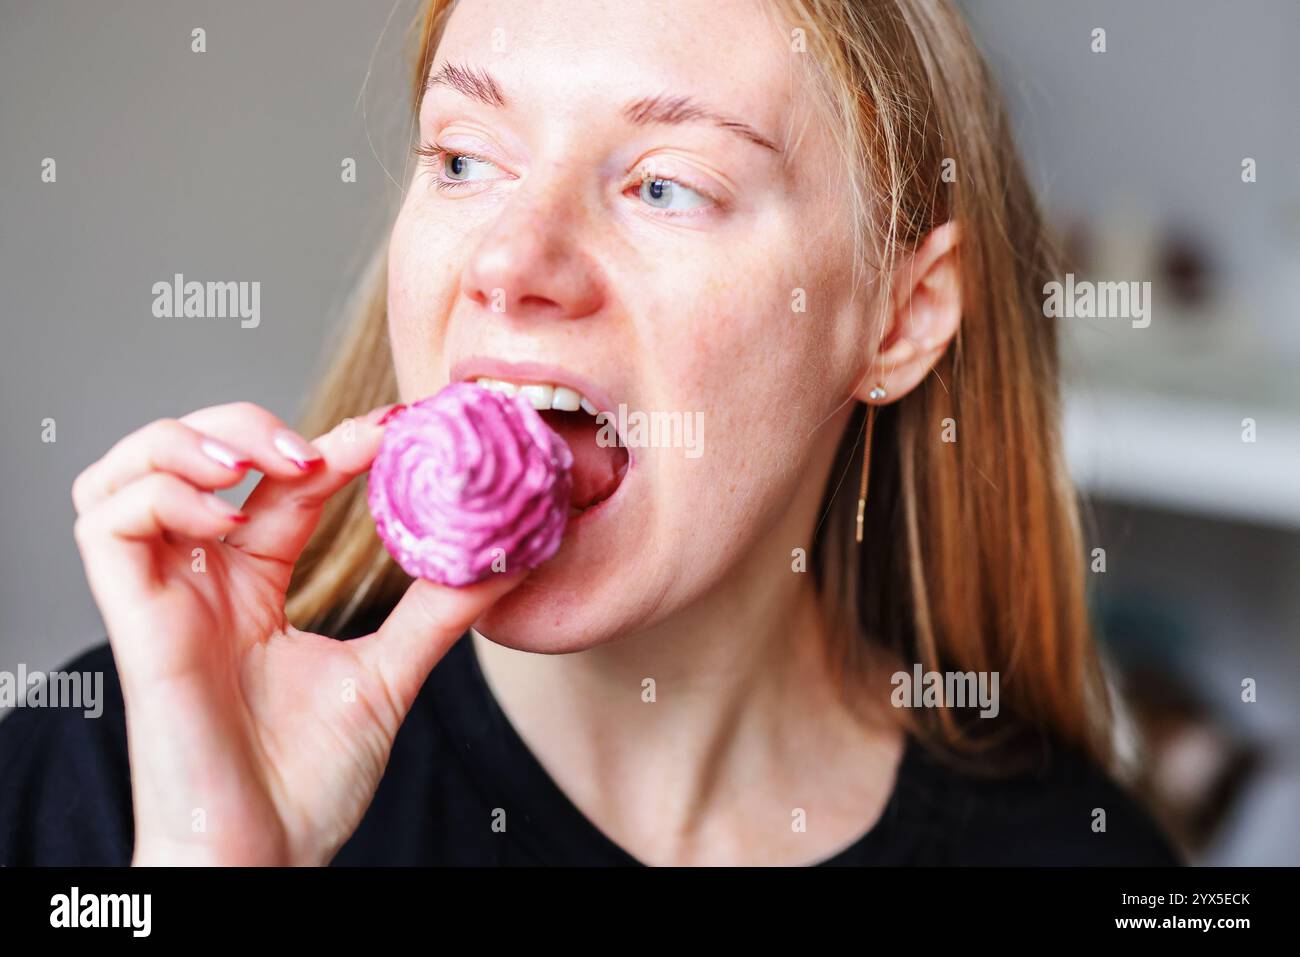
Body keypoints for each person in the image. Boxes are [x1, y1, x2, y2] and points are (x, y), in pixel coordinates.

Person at [0, 0, 1180, 866]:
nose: (512, 263)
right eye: (463, 159)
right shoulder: (111, 780)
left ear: (897, 319)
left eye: (665, 184)